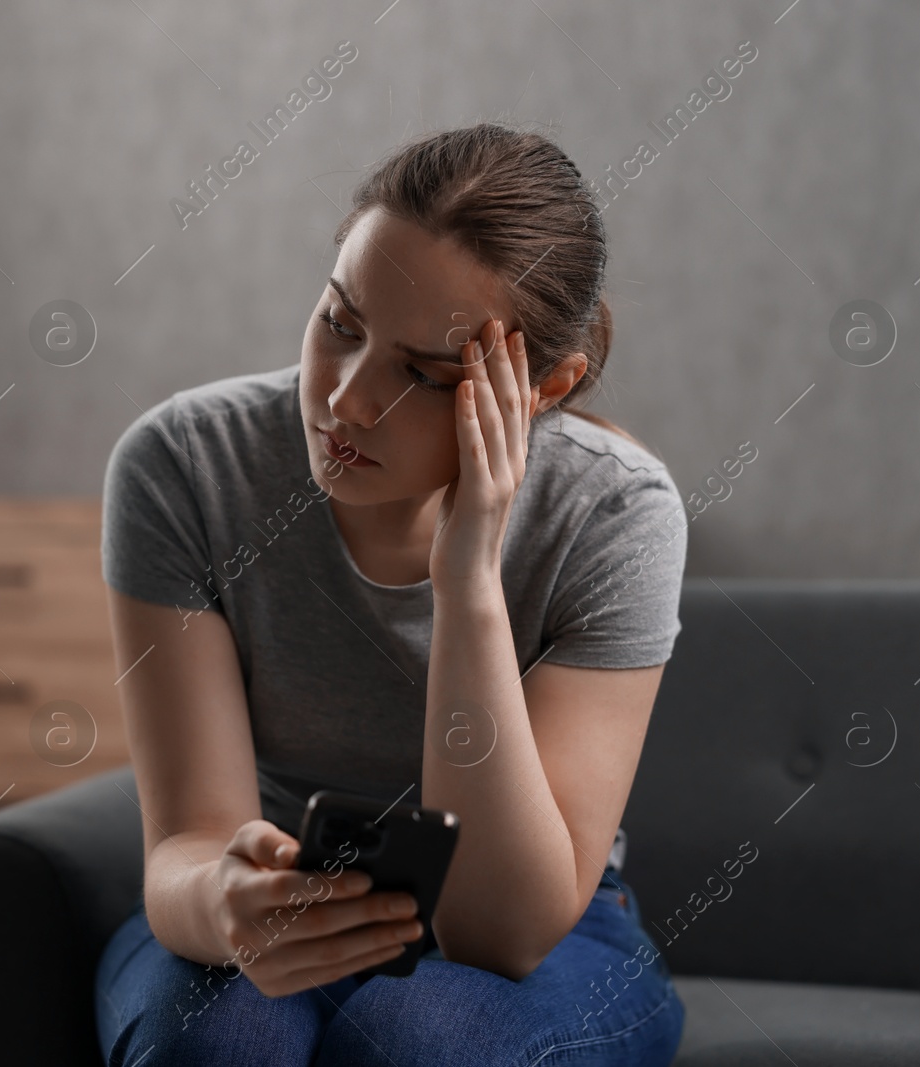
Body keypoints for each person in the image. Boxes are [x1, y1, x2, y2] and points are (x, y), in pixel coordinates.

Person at [94, 121, 689, 1066]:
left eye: (424, 374)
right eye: (340, 324)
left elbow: (503, 932)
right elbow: (187, 844)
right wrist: (227, 902)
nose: (346, 401)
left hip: (559, 931)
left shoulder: (616, 513)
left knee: (417, 1046)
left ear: (544, 388)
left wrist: (469, 590)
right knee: (220, 1039)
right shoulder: (186, 467)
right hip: (274, 896)